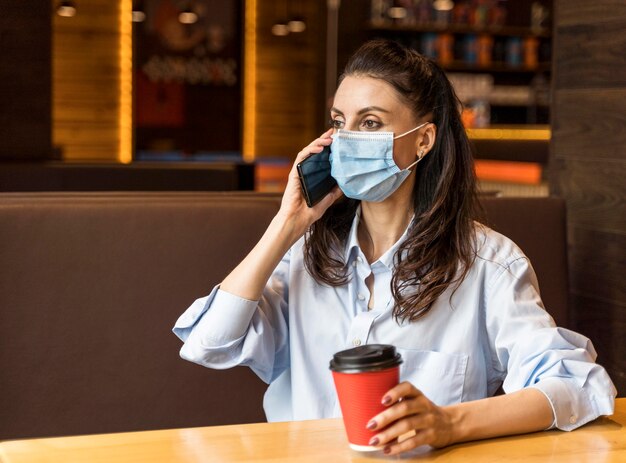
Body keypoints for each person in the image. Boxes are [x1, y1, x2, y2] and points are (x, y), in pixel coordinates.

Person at [173, 39, 616, 455]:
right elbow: (210, 344)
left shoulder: (488, 265)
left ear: (423, 139)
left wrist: (449, 423)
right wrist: (287, 224)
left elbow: (577, 384)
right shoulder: (307, 255)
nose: (346, 139)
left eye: (370, 122)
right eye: (338, 122)